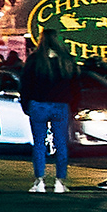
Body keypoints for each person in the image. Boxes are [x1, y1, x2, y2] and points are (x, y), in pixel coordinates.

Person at [21, 40, 78, 194]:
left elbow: (25, 83)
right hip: (60, 104)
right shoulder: (66, 59)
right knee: (61, 144)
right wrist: (73, 105)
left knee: (39, 144)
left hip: (38, 104)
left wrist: (25, 104)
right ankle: (60, 181)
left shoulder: (35, 59)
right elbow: (75, 84)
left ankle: (39, 181)